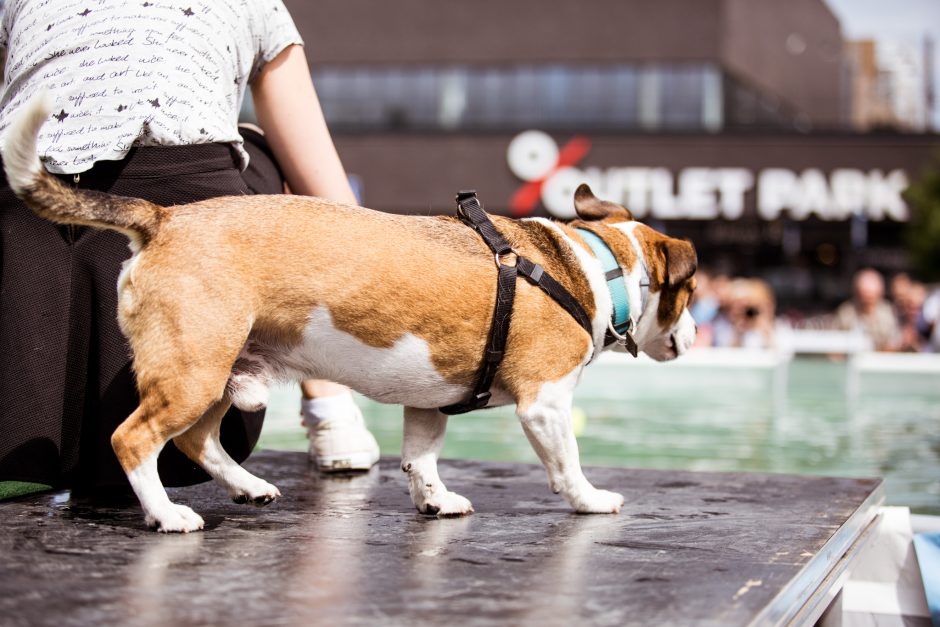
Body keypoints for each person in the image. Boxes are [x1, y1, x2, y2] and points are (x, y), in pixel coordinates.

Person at [0, 0, 378, 493]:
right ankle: (330, 408)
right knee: (266, 152)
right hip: (183, 435)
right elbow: (333, 202)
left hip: (18, 416)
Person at [833, 268, 900, 352]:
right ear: (856, 294)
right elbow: (835, 347)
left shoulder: (888, 313)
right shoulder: (846, 313)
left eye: (871, 298)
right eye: (863, 296)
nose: (867, 302)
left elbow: (894, 344)